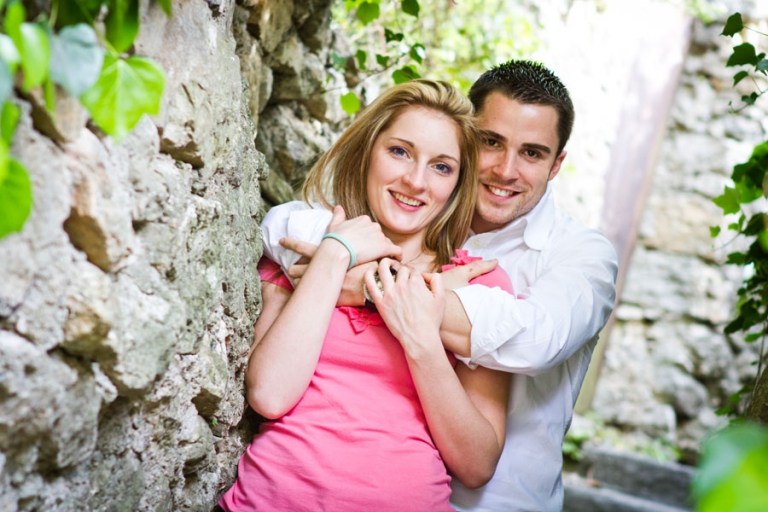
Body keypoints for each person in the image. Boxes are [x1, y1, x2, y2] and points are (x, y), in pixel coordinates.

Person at [261, 60, 620, 511]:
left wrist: (374, 287)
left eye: (532, 153)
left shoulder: (581, 254)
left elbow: (536, 340)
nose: (506, 170)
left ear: (556, 164)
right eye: (491, 142)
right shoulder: (389, 220)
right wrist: (337, 262)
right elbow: (287, 225)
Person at [219, 79, 513, 511]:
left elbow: (477, 464)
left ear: (458, 183)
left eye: (441, 166)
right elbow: (269, 394)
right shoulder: (303, 248)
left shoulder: (477, 284)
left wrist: (421, 339)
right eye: (400, 151)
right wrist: (336, 254)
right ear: (368, 150)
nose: (415, 181)